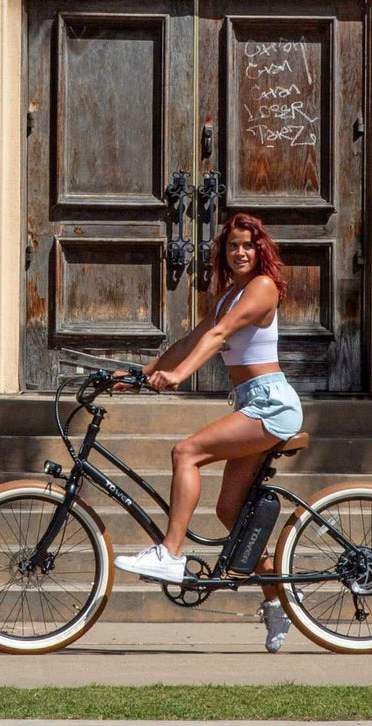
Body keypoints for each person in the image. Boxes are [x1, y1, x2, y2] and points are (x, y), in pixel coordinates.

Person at [113, 212, 304, 653]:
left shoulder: (261, 287)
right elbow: (191, 338)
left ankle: (171, 553)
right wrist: (140, 375)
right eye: (233, 245)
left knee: (187, 453)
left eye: (248, 246)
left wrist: (179, 375)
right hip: (252, 402)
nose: (240, 252)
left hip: (271, 403)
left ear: (260, 252)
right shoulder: (226, 296)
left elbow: (219, 337)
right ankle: (278, 602)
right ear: (223, 252)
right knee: (231, 515)